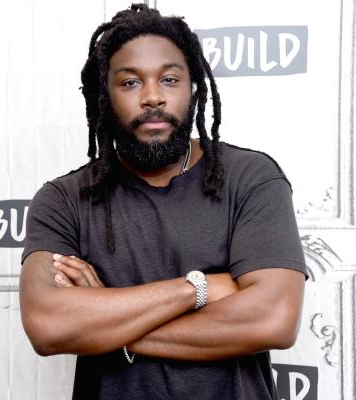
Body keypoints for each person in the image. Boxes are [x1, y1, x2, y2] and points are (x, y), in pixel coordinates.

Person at [19, 4, 307, 399]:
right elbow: (49, 325)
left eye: (169, 79)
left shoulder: (251, 178)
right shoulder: (64, 200)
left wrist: (108, 322)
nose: (152, 97)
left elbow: (273, 320)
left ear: (192, 87)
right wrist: (198, 288)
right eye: (130, 83)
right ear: (105, 94)